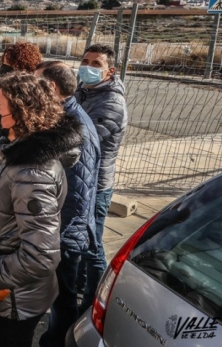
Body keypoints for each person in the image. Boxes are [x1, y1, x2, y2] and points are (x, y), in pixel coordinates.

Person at [0, 72, 82, 347]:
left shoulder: (33, 173)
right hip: (7, 289)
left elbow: (40, 257)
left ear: (21, 113)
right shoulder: (17, 150)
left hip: (14, 298)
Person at [35, 61, 101, 347]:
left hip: (65, 230)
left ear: (51, 87)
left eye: (36, 82)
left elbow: (77, 193)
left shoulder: (76, 129)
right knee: (58, 293)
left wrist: (57, 235)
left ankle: (57, 342)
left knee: (62, 297)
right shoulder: (63, 116)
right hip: (61, 227)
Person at [75, 44, 128, 312]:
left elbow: (84, 139)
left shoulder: (112, 102)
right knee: (81, 244)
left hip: (96, 185)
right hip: (82, 180)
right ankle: (80, 287)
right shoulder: (83, 91)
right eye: (85, 61)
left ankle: (93, 304)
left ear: (110, 71)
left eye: (96, 64)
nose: (88, 67)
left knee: (92, 246)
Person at [0, 42, 42, 171]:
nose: (5, 66)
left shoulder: (33, 91)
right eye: (4, 60)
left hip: (17, 158)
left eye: (11, 62)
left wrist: (3, 150)